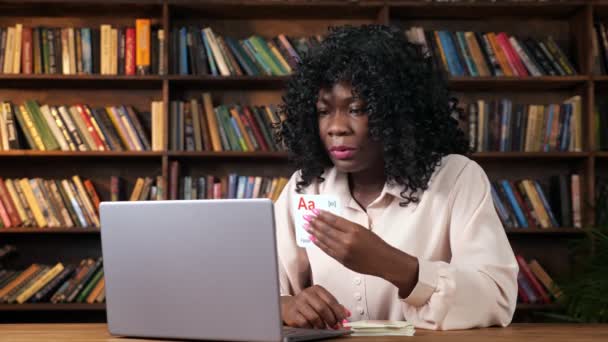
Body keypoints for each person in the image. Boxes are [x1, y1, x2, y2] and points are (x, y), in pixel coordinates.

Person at [274, 25, 518, 331]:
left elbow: (496, 298)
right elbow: (261, 287)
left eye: (356, 109)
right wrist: (285, 305)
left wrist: (392, 264)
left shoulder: (456, 178)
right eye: (324, 111)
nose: (336, 127)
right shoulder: (306, 187)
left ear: (396, 112)